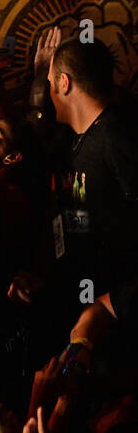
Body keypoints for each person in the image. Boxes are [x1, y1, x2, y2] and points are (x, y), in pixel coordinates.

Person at [46, 37, 138, 294]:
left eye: (50, 82)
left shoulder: (118, 137)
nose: (49, 92)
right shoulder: (74, 141)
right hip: (83, 291)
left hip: (116, 310)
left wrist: (118, 302)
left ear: (64, 83)